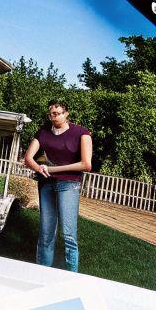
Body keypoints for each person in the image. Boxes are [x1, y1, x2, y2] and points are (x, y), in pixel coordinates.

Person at [20, 100, 92, 271]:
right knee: (46, 234)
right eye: (51, 114)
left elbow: (86, 164)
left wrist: (52, 169)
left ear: (66, 113)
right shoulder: (43, 133)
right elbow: (28, 158)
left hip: (69, 184)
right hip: (47, 185)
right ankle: (42, 272)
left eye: (57, 113)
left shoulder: (81, 133)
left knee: (69, 235)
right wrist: (39, 168)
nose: (53, 117)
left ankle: (71, 276)